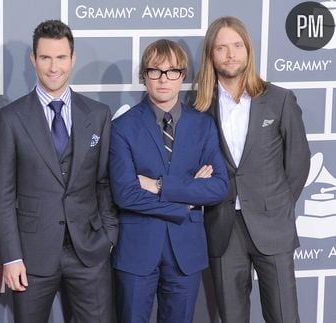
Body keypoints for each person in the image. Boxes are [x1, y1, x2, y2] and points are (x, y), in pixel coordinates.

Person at [0, 19, 118, 322]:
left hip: (89, 251)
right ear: (33, 60)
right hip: (31, 255)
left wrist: (109, 236)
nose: (53, 67)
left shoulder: (98, 114)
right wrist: (11, 256)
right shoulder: (10, 119)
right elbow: (3, 195)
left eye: (61, 57)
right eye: (45, 57)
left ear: (72, 59)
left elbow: (103, 182)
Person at [194, 16, 311, 323]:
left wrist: (279, 205)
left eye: (236, 45)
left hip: (272, 225)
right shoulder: (199, 106)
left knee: (284, 316)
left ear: (248, 50)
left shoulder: (279, 99)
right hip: (222, 226)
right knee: (231, 317)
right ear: (211, 54)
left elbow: (299, 163)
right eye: (221, 47)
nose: (230, 54)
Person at [109, 39, 228, 323]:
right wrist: (186, 202)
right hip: (137, 249)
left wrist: (160, 186)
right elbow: (126, 193)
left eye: (172, 71)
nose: (163, 79)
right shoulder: (122, 127)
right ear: (143, 76)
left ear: (183, 76)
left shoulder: (203, 125)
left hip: (185, 251)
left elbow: (219, 186)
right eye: (155, 71)